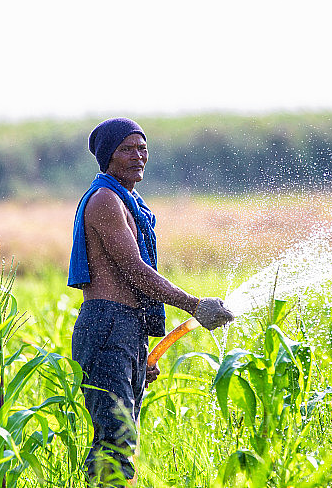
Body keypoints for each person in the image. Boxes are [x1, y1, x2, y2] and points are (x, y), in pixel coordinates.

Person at [68, 117, 234, 484]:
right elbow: (134, 270)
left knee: (124, 435)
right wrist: (194, 305)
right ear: (108, 157)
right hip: (106, 325)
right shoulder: (106, 201)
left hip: (125, 328)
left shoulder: (129, 202)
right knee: (115, 440)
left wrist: (140, 353)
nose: (138, 155)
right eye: (127, 149)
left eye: (142, 148)